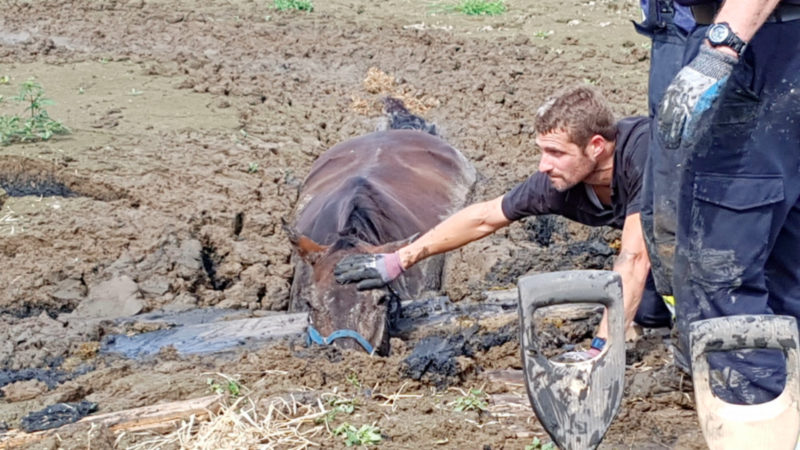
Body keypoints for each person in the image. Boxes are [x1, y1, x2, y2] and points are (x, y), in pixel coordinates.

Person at [334, 85, 672, 359]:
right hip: (664, 244)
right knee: (649, 312)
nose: (544, 165)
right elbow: (484, 217)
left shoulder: (644, 155)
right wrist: (398, 260)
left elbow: (634, 258)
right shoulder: (558, 186)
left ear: (596, 146)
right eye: (542, 151)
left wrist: (599, 353)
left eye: (556, 153)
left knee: (683, 307)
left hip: (712, 232)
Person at [656, 0, 800, 404]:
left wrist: (719, 51)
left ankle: (761, 428)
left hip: (751, 47)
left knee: (723, 277)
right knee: (787, 268)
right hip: (774, 44)